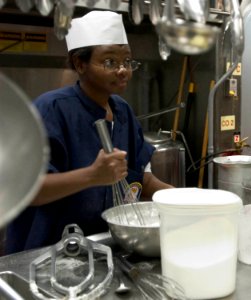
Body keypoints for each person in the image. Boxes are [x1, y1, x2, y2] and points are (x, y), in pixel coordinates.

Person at [5, 11, 173, 254]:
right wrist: (93, 175)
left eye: (127, 61)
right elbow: (29, 191)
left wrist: (184, 199)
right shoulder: (51, 111)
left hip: (101, 247)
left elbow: (138, 178)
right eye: (110, 62)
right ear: (79, 64)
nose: (123, 70)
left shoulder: (123, 112)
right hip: (46, 254)